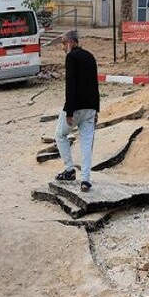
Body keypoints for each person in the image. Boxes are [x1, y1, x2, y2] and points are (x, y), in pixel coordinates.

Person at [54, 30, 99, 192]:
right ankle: (85, 180)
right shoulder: (90, 56)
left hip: (76, 107)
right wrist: (97, 110)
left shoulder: (71, 57)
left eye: (63, 43)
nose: (62, 47)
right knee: (87, 144)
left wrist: (70, 111)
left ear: (72, 42)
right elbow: (95, 84)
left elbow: (70, 85)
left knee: (60, 134)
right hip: (91, 107)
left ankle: (69, 169)